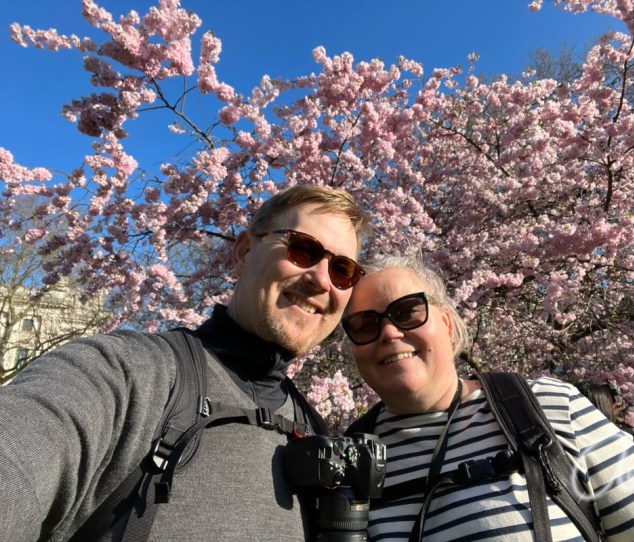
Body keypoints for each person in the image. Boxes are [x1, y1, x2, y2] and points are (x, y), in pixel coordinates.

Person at [0, 185, 368, 541]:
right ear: (243, 252)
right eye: (303, 249)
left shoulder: (311, 427)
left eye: (343, 270)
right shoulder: (125, 375)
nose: (322, 279)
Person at [341, 253, 634, 541]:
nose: (389, 332)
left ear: (449, 325)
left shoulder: (551, 408)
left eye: (407, 312)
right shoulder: (350, 456)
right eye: (364, 324)